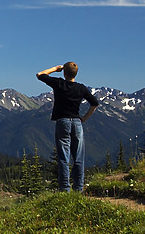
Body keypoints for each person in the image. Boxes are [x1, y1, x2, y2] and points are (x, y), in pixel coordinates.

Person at [36, 62, 100, 192]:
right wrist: (85, 118)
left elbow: (40, 75)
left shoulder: (59, 84)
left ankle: (65, 188)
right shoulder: (81, 88)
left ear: (64, 72)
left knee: (64, 157)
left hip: (62, 122)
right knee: (78, 157)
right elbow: (94, 103)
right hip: (77, 123)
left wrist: (55, 68)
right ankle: (79, 188)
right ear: (76, 73)